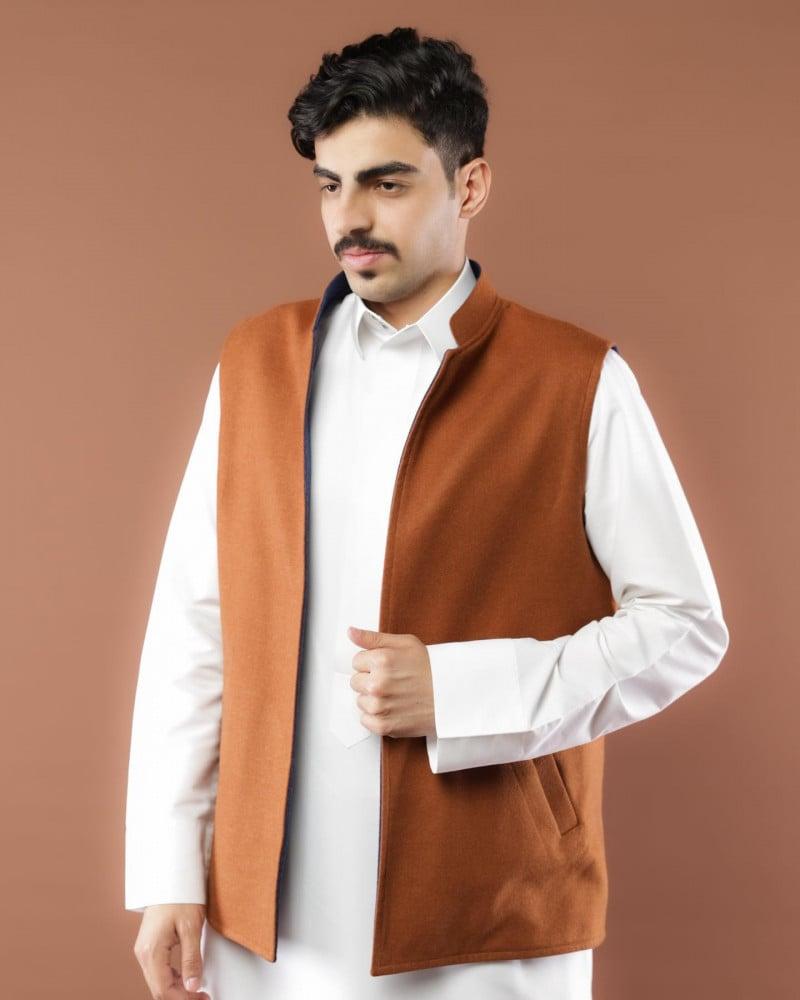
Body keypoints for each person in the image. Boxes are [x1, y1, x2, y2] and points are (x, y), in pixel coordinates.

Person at [124, 26, 729, 1000]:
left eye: (387, 183)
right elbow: (195, 626)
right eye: (330, 185)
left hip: (492, 923)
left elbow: (685, 626)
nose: (350, 218)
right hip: (264, 922)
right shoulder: (254, 365)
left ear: (470, 186)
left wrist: (458, 691)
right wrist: (168, 869)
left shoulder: (576, 380)